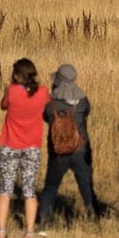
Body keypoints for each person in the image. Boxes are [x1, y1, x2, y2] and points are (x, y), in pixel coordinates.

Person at [0, 58, 50, 238]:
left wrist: (11, 88)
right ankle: (29, 232)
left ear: (17, 75)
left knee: (5, 189)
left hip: (10, 145)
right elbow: (46, 108)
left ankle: (1, 231)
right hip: (32, 147)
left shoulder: (11, 91)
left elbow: (3, 105)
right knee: (29, 190)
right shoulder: (43, 92)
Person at [41, 63, 97, 219]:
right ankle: (92, 213)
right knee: (86, 186)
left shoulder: (50, 101)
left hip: (57, 151)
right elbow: (86, 112)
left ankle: (44, 220)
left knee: (51, 187)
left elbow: (45, 117)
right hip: (80, 149)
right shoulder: (83, 100)